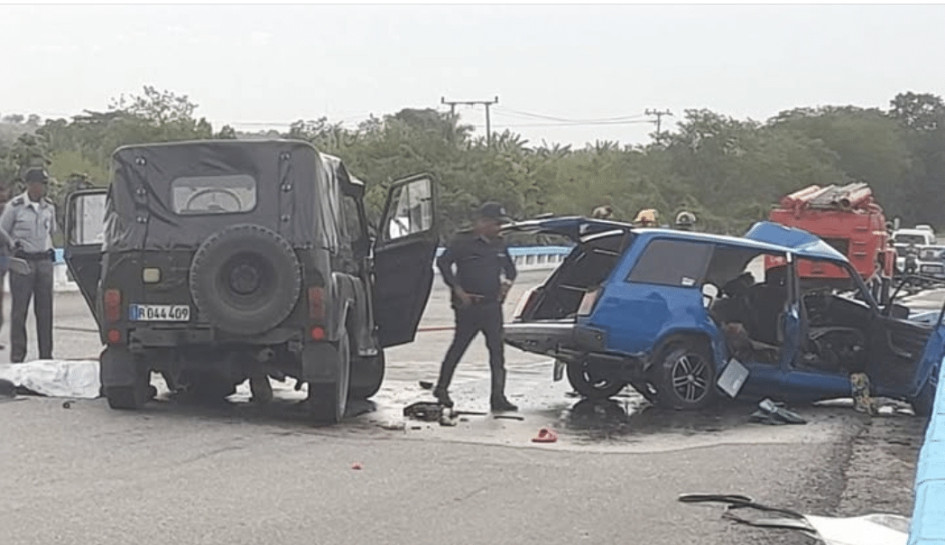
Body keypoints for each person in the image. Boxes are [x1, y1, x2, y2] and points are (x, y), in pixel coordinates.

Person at [433, 202, 518, 412]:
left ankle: (498, 397)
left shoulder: (499, 244)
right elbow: (443, 263)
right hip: (468, 306)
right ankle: (442, 389)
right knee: (459, 347)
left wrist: (506, 287)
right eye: (496, 223)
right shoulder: (463, 241)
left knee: (497, 352)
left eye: (501, 224)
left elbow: (511, 270)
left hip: (492, 306)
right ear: (482, 222)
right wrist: (457, 289)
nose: (499, 228)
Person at [0, 168, 57, 363]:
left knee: (45, 311)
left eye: (44, 184)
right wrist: (12, 247)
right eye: (39, 184)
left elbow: (52, 231)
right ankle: (18, 356)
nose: (42, 188)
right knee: (19, 311)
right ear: (30, 185)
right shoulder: (15, 207)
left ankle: (46, 356)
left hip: (43, 262)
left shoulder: (49, 207)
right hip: (23, 262)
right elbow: (2, 230)